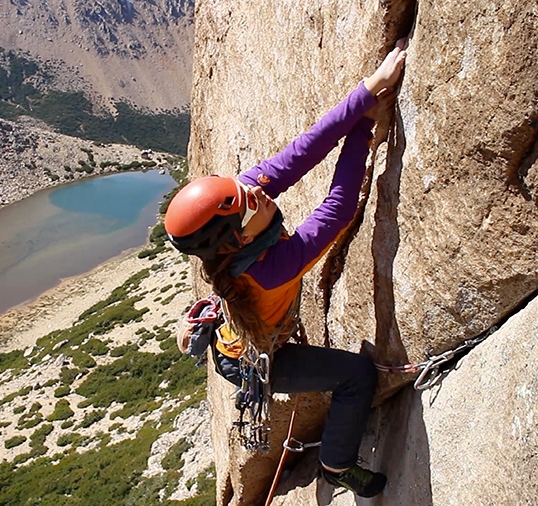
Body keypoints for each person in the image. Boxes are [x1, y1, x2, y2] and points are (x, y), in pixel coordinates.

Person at [164, 40, 407, 499]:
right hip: (255, 361)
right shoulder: (271, 268)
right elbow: (335, 212)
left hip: (240, 332)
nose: (255, 189)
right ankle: (337, 465)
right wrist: (361, 136)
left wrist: (369, 90)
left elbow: (303, 150)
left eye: (245, 188)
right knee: (356, 377)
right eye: (247, 198)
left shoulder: (239, 210)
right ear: (238, 237)